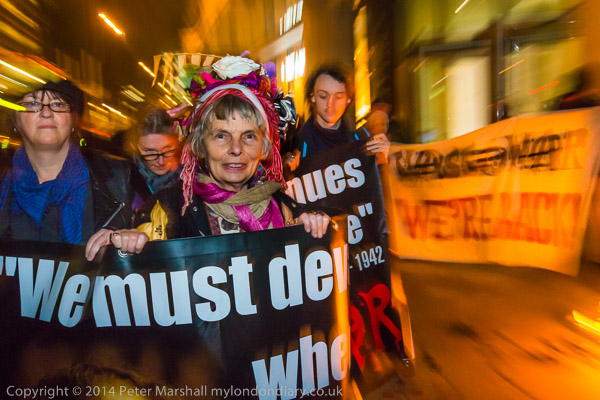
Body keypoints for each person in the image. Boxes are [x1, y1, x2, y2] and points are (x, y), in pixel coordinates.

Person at [133, 55, 330, 241]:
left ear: (264, 148)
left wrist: (310, 227)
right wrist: (129, 245)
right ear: (200, 146)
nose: (236, 149)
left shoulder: (283, 206)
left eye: (249, 136)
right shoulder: (167, 210)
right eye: (221, 136)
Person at [0, 80, 137, 261]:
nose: (46, 113)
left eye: (58, 104)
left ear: (73, 119)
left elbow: (149, 245)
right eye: (33, 103)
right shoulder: (3, 179)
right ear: (16, 120)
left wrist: (128, 243)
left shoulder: (115, 177)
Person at [283, 64, 390, 172]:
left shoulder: (360, 140)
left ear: (348, 99)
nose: (330, 104)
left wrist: (380, 160)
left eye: (338, 97)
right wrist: (285, 168)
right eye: (323, 96)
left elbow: (371, 179)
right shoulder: (297, 143)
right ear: (312, 97)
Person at [128, 107, 182, 208]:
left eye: (167, 150)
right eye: (151, 153)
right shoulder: (125, 181)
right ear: (135, 147)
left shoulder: (188, 178)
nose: (161, 161)